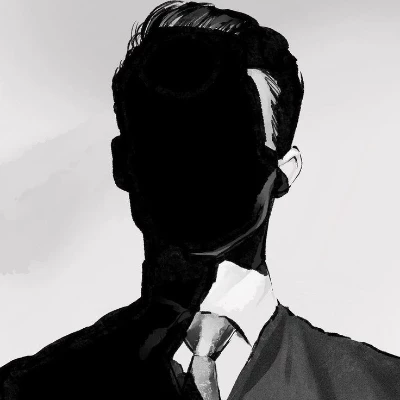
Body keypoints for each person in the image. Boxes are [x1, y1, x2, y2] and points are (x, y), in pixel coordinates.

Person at [1, 2, 399, 399]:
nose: (191, 169)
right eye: (164, 141)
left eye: (224, 142)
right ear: (123, 163)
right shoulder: (29, 390)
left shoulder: (381, 388)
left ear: (285, 170)